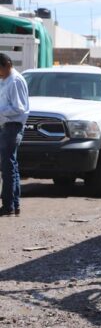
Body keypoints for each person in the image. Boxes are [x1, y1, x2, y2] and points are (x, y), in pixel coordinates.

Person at [0, 54, 30, 217]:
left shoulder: (15, 81)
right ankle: (14, 204)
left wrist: (0, 111)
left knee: (7, 166)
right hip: (5, 125)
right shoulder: (4, 80)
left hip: (13, 126)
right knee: (11, 165)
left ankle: (8, 205)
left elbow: (19, 108)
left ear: (7, 65)